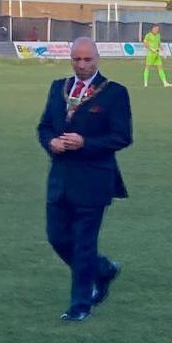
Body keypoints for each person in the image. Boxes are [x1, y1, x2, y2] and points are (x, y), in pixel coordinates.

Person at [36, 38, 132, 322]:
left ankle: (81, 305)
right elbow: (44, 126)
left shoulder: (114, 93)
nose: (81, 65)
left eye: (87, 59)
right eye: (76, 59)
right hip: (60, 179)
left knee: (83, 244)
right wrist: (51, 142)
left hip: (93, 180)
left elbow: (122, 137)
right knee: (56, 237)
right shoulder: (58, 87)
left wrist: (85, 143)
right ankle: (102, 269)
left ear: (97, 59)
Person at [141, 24, 172, 88]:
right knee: (147, 67)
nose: (157, 30)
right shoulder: (148, 35)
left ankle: (165, 83)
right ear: (152, 29)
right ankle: (145, 83)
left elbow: (159, 44)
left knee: (160, 67)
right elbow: (145, 44)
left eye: (157, 29)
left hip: (157, 54)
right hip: (151, 54)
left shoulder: (158, 35)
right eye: (156, 29)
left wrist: (164, 52)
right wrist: (151, 49)